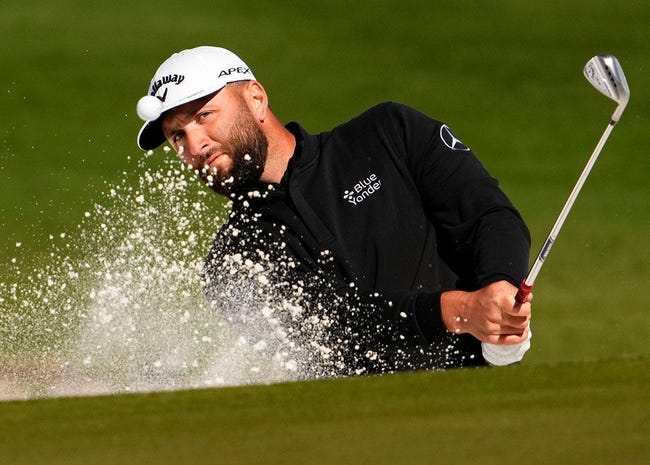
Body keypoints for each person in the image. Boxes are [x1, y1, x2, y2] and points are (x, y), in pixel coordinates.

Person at [135, 46, 532, 377]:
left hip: (486, 403)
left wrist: (499, 286)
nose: (194, 145)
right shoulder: (232, 263)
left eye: (204, 116)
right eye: (177, 135)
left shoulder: (387, 133)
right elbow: (337, 330)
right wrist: (458, 311)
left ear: (255, 98)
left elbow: (487, 215)